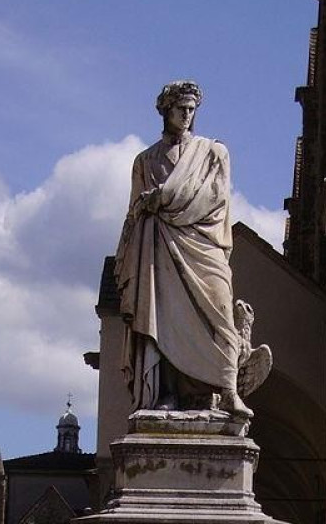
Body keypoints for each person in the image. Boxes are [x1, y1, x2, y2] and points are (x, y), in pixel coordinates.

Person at [114, 80, 252, 418]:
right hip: (160, 249)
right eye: (180, 109)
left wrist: (163, 199)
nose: (187, 115)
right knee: (164, 318)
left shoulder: (213, 153)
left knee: (219, 312)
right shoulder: (145, 161)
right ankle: (168, 394)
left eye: (192, 110)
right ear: (165, 111)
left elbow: (215, 199)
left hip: (204, 245)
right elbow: (135, 210)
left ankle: (223, 390)